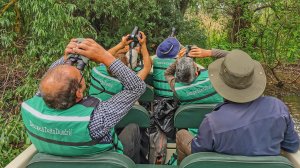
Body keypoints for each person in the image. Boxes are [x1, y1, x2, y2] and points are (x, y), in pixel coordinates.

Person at [21, 38, 146, 163]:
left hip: (61, 162)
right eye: (79, 74)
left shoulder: (30, 108)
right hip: (102, 164)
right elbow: (137, 87)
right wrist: (105, 56)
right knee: (133, 129)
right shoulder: (95, 119)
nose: (80, 70)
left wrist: (66, 58)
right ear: (79, 93)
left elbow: (49, 78)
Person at [176, 49, 299, 163]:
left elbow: (197, 154)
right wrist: (209, 52)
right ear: (254, 79)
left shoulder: (212, 122)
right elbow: (292, 145)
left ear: (221, 84)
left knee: (181, 134)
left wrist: (207, 53)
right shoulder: (278, 107)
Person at [89, 32, 152, 101]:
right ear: (125, 67)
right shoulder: (128, 83)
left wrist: (121, 44)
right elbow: (147, 67)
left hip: (90, 106)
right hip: (113, 110)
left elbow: (105, 56)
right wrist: (143, 45)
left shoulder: (96, 70)